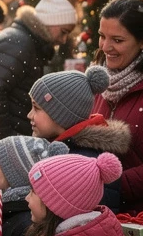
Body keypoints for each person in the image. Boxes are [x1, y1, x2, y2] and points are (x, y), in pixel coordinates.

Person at [0, 0, 77, 197]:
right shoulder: (20, 42)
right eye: (63, 31)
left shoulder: (20, 39)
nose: (63, 40)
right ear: (49, 23)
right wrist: (7, 143)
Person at [91, 0, 143, 209]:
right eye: (102, 36)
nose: (106, 47)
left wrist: (114, 186)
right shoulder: (100, 78)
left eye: (117, 40)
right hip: (101, 209)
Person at [27, 67, 130, 212]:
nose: (29, 115)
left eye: (36, 108)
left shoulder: (83, 163)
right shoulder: (57, 148)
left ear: (60, 115)